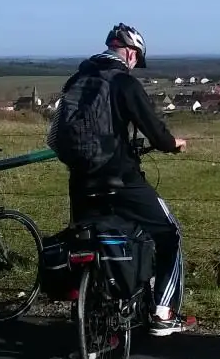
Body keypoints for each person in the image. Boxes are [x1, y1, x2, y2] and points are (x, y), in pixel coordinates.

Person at [48, 23, 195, 337]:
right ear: (130, 53)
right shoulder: (123, 83)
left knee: (89, 243)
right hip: (119, 179)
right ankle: (163, 313)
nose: (134, 65)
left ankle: (93, 315)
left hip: (80, 181)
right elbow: (154, 129)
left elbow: (55, 135)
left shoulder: (77, 80)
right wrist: (173, 144)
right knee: (170, 234)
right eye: (136, 59)